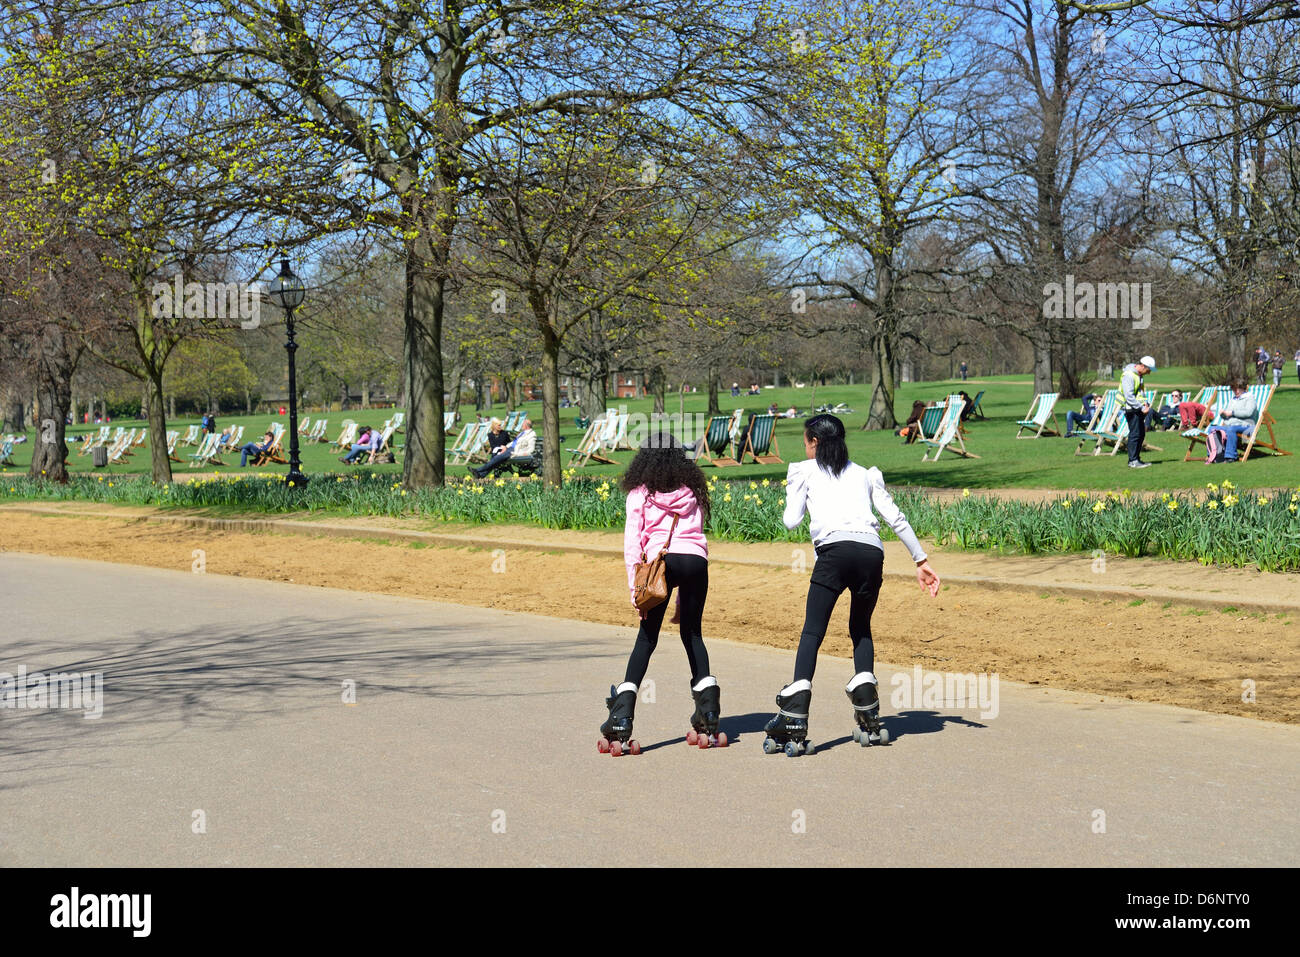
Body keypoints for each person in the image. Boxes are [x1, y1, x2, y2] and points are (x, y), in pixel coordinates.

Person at [765, 415, 940, 757]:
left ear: (814, 441)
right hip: (871, 553)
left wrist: (793, 488)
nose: (804, 447)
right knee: (860, 627)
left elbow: (790, 522)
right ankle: (869, 711)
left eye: (805, 441)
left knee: (813, 631)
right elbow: (895, 518)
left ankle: (796, 716)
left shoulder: (805, 470)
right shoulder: (865, 473)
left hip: (834, 552)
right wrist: (921, 561)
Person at [600, 433, 718, 755]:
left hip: (660, 567)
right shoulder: (692, 491)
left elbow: (631, 547)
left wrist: (635, 592)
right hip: (696, 562)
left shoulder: (640, 494)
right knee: (693, 635)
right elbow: (694, 535)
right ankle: (708, 712)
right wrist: (681, 599)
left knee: (646, 639)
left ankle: (622, 718)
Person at [1120, 355, 1156, 468]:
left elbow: (1140, 393)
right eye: (1148, 370)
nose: (1149, 373)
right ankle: (1132, 461)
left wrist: (1145, 403)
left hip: (1138, 408)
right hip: (1132, 409)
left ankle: (1137, 459)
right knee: (1135, 434)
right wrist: (1141, 408)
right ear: (1143, 366)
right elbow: (1129, 396)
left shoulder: (1139, 376)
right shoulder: (1129, 375)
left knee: (1141, 434)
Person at [1213, 379, 1257, 463]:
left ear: (1243, 388)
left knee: (1231, 429)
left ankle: (1231, 456)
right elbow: (1228, 416)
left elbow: (1248, 413)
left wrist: (1233, 413)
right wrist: (1223, 414)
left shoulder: (1249, 398)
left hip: (1247, 425)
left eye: (1238, 389)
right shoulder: (1233, 399)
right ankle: (1216, 455)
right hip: (1232, 425)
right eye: (1234, 389)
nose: (1236, 391)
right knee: (1213, 429)